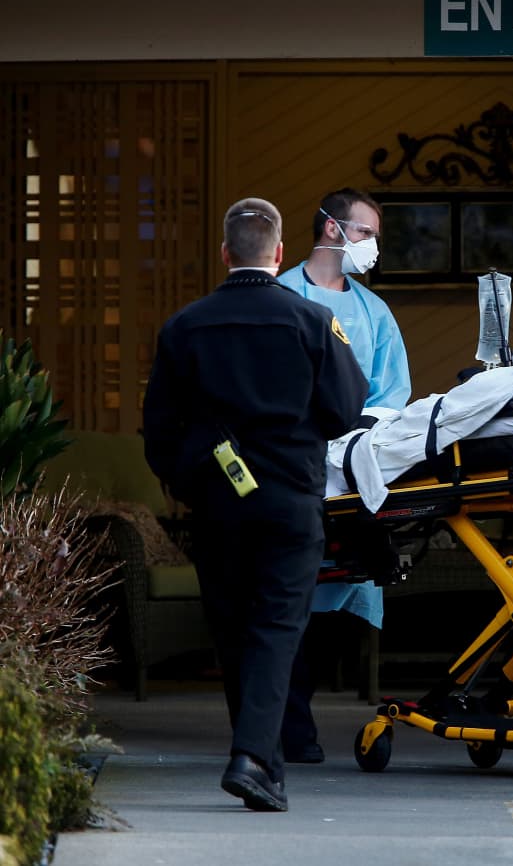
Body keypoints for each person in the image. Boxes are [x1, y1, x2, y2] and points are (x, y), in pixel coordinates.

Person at [143, 197, 368, 812]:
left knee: (232, 630)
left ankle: (258, 759)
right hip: (291, 501)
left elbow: (158, 433)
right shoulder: (312, 320)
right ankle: (253, 759)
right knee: (275, 627)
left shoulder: (183, 327)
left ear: (224, 254)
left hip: (217, 504)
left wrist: (194, 481)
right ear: (278, 254)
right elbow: (348, 407)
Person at [276, 188, 412, 764]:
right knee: (287, 591)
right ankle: (288, 720)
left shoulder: (374, 312)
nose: (371, 247)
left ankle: (294, 707)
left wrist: (356, 428)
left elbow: (394, 392)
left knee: (346, 585)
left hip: (353, 466)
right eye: (364, 233)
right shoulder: (279, 297)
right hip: (287, 464)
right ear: (331, 229)